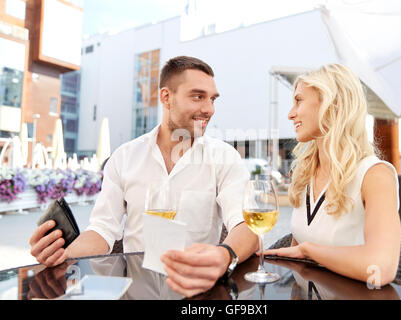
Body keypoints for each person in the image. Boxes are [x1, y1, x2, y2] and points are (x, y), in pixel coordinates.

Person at [29, 56, 258, 297]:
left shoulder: (224, 157)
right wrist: (63, 255)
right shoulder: (124, 157)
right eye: (198, 96)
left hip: (199, 295)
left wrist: (224, 255)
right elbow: (103, 230)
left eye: (212, 99)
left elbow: (247, 226)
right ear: (166, 97)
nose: (209, 109)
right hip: (135, 292)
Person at [262, 63, 401, 286]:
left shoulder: (374, 175)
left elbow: (381, 269)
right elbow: (298, 265)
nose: (290, 114)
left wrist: (308, 251)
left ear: (331, 104)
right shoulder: (305, 173)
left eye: (299, 101)